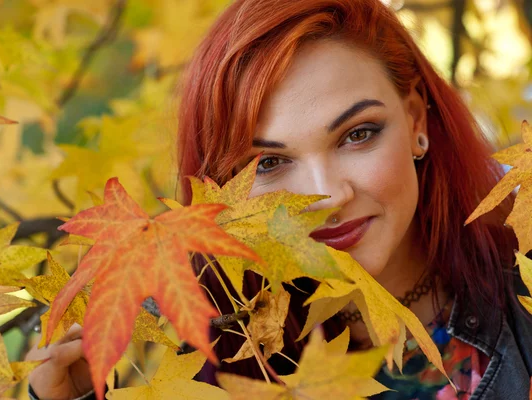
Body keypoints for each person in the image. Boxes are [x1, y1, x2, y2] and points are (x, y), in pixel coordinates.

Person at [26, 0, 532, 398]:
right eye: (268, 163)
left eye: (358, 134)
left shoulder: (521, 282)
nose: (329, 195)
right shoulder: (224, 349)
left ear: (417, 122)